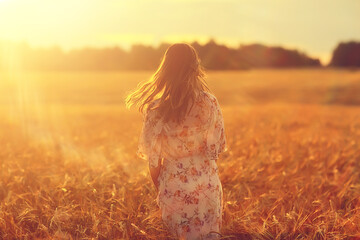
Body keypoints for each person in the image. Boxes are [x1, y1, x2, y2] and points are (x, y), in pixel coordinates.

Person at [126, 43, 227, 239]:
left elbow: (153, 161)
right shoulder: (210, 102)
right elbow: (216, 148)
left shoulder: (156, 108)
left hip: (174, 187)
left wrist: (163, 187)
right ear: (195, 67)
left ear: (166, 68)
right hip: (208, 186)